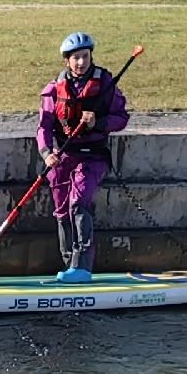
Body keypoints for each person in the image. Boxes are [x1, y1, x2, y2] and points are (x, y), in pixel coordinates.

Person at [37, 31, 127, 286]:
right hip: (63, 157)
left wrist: (99, 122)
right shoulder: (54, 89)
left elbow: (121, 118)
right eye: (76, 57)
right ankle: (69, 265)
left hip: (93, 157)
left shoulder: (106, 85)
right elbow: (44, 126)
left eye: (85, 56)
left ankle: (82, 267)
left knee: (78, 203)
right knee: (62, 210)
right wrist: (47, 153)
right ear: (67, 60)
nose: (81, 62)